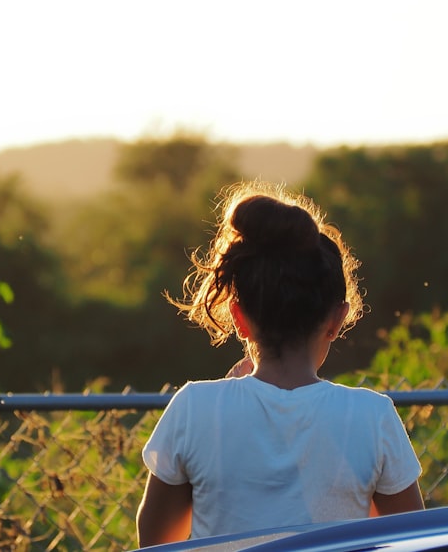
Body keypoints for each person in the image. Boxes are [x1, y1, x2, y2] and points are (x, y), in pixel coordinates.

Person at [136, 182, 423, 547]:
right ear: (337, 320)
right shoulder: (373, 416)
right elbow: (415, 540)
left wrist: (225, 405)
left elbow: (156, 542)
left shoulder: (194, 408)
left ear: (238, 317)